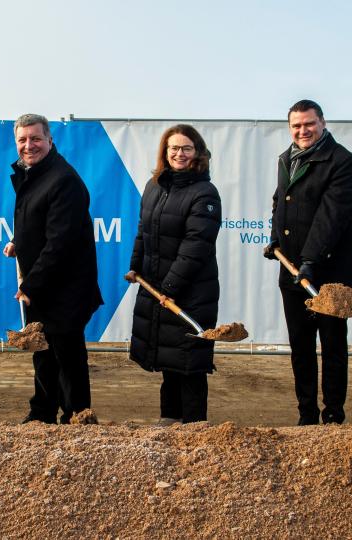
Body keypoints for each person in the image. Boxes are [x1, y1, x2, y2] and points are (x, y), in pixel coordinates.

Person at [263, 99, 352, 425]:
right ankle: (306, 415)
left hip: (329, 272)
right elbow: (280, 202)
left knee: (332, 346)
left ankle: (333, 415)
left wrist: (309, 259)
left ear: (322, 122)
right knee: (301, 346)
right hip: (293, 271)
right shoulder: (286, 159)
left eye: (309, 124)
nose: (302, 131)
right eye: (296, 125)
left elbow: (331, 217)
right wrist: (276, 238)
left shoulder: (342, 161)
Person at [2, 113, 103, 424]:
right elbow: (39, 220)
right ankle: (42, 413)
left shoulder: (63, 180)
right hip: (45, 285)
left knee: (67, 356)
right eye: (22, 140)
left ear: (49, 139)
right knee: (43, 351)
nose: (28, 145)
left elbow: (61, 241)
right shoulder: (32, 174)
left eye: (35, 138)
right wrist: (19, 241)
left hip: (66, 287)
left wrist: (31, 285)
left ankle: (78, 417)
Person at [124, 124, 221, 425]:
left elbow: (196, 245)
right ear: (165, 152)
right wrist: (136, 265)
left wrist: (170, 286)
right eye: (174, 148)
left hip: (191, 291)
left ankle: (193, 425)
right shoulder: (154, 186)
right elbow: (143, 230)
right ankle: (169, 419)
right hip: (159, 287)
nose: (180, 154)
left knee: (190, 361)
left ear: (197, 152)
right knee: (168, 357)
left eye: (186, 148)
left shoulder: (204, 193)